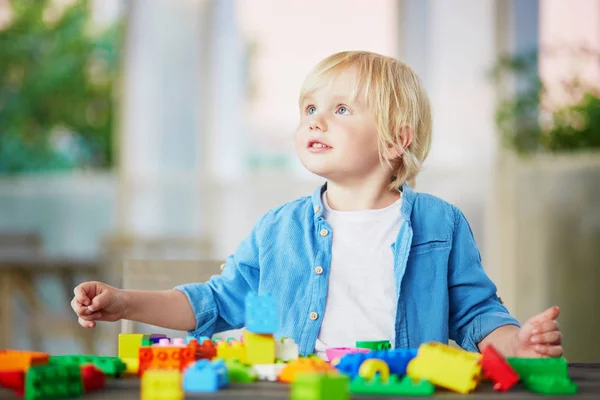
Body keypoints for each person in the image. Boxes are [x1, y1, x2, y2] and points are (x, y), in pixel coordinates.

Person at [72, 51, 563, 359]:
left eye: (341, 109)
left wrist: (516, 344)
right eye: (309, 109)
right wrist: (125, 302)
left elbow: (477, 312)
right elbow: (216, 303)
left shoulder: (440, 223)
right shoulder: (277, 229)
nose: (316, 121)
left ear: (396, 140)